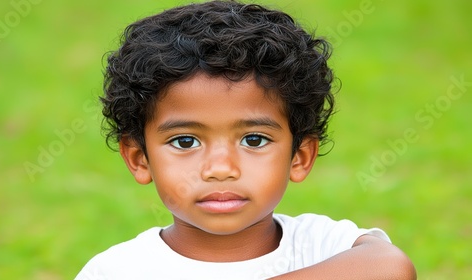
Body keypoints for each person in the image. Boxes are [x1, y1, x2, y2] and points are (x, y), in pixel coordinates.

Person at [75, 1, 416, 279]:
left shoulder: (318, 246)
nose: (220, 169)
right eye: (184, 142)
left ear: (299, 156)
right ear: (139, 158)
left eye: (253, 139)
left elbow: (392, 267)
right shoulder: (119, 271)